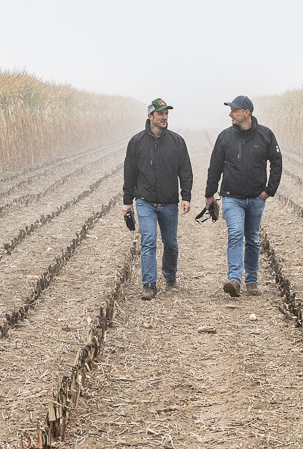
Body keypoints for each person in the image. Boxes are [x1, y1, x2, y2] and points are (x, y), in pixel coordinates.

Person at [202, 95, 282, 297]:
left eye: (234, 110)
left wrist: (268, 190)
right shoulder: (225, 137)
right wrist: (209, 194)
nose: (230, 114)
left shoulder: (266, 135)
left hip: (256, 197)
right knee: (236, 234)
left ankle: (252, 281)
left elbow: (277, 162)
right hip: (231, 197)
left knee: (253, 239)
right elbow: (215, 167)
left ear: (247, 112)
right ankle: (235, 280)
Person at [120, 99, 193, 299]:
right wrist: (128, 202)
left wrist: (185, 195)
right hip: (145, 202)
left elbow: (185, 170)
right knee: (149, 240)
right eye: (160, 114)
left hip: (169, 202)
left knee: (170, 243)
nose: (164, 117)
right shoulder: (136, 142)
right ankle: (149, 284)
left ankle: (170, 276)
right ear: (150, 116)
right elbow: (129, 173)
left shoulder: (177, 142)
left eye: (166, 114)